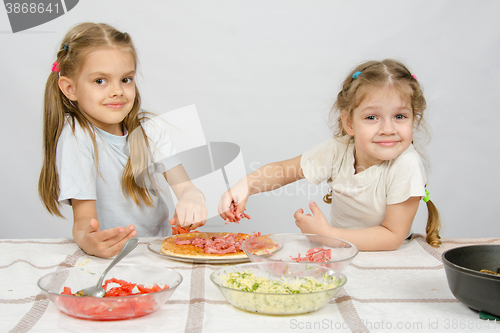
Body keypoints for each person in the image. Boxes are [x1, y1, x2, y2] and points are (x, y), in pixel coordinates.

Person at [219, 59, 441, 251]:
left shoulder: (407, 164)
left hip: (387, 259)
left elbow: (392, 237)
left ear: (414, 118)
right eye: (372, 117)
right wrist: (246, 184)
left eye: (400, 116)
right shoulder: (338, 150)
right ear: (349, 123)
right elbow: (284, 171)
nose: (388, 128)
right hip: (341, 251)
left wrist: (328, 235)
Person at [38, 23, 207, 257]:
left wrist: (192, 198)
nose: (117, 91)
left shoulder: (149, 129)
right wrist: (89, 240)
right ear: (70, 89)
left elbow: (185, 186)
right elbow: (83, 222)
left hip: (159, 248)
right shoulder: (78, 137)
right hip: (113, 256)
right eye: (100, 81)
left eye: (126, 79)